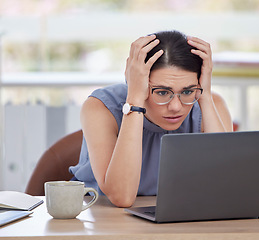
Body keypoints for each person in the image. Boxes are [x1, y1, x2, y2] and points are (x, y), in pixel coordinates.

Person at [69, 30, 233, 207]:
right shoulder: (101, 107)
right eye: (162, 92)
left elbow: (226, 188)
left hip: (177, 213)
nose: (176, 106)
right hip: (100, 214)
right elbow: (121, 197)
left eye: (187, 91)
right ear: (138, 83)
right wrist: (134, 100)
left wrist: (205, 96)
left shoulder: (208, 103)